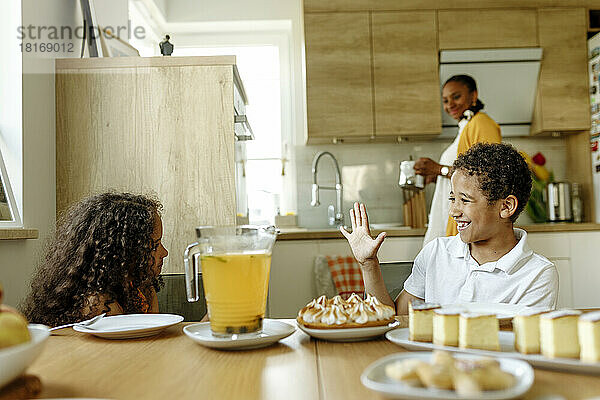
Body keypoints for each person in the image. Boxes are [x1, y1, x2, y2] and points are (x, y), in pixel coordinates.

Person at [341, 143, 558, 314]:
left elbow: (523, 346)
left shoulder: (537, 274)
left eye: (464, 200)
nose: (454, 211)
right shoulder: (436, 253)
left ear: (506, 206)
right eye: (452, 198)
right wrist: (368, 264)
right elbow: (396, 317)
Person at [21, 192, 168, 327]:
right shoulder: (99, 306)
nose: (165, 252)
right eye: (155, 245)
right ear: (121, 252)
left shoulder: (138, 287)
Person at [415, 75, 502, 245]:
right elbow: (465, 170)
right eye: (445, 100)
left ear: (473, 95)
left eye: (456, 97)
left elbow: (488, 174)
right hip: (455, 218)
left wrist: (439, 169)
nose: (450, 105)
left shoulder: (481, 123)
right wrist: (437, 177)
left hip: (468, 222)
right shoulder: (466, 127)